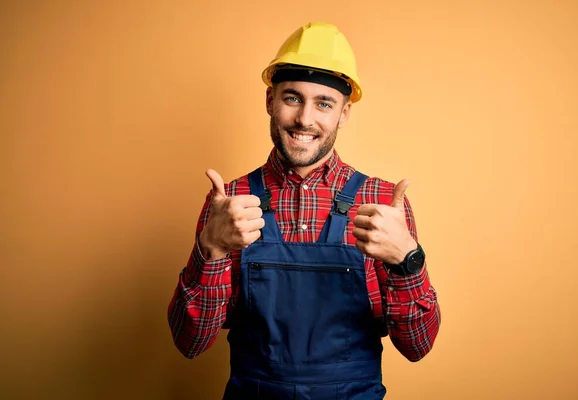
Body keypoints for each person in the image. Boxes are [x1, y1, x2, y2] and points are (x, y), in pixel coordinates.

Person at [167, 21, 441, 399]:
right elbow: (189, 342)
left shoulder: (381, 204)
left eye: (324, 103)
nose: (305, 119)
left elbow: (418, 346)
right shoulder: (230, 202)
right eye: (292, 98)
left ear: (343, 113)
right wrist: (209, 251)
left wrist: (407, 262)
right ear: (270, 101)